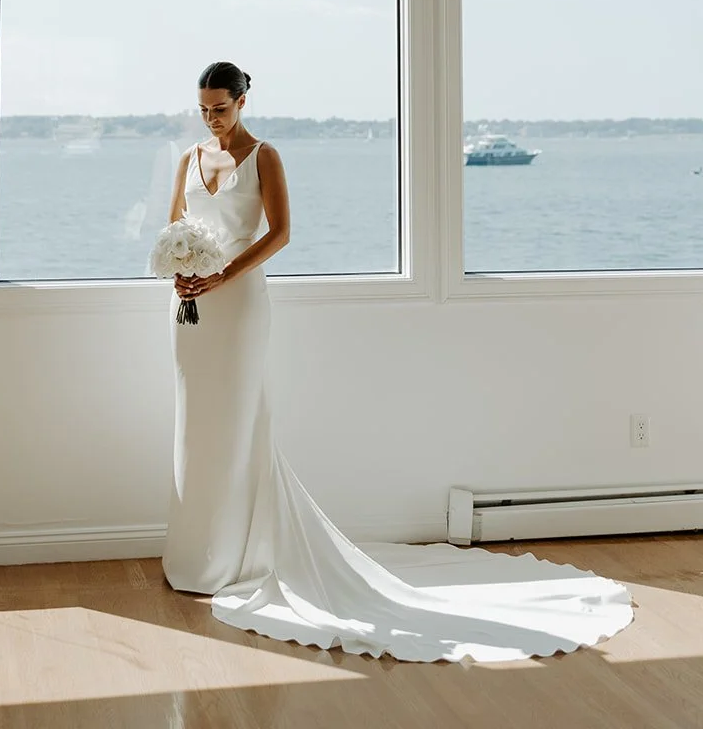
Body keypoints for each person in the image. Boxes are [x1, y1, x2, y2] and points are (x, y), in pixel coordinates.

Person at [161, 61, 634, 664]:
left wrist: (223, 274)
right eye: (203, 109)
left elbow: (280, 233)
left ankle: (237, 556)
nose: (211, 118)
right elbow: (178, 224)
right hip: (190, 307)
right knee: (193, 427)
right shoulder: (189, 158)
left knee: (236, 425)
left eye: (220, 108)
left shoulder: (265, 157)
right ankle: (195, 551)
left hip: (240, 304)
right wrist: (182, 270)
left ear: (244, 102)